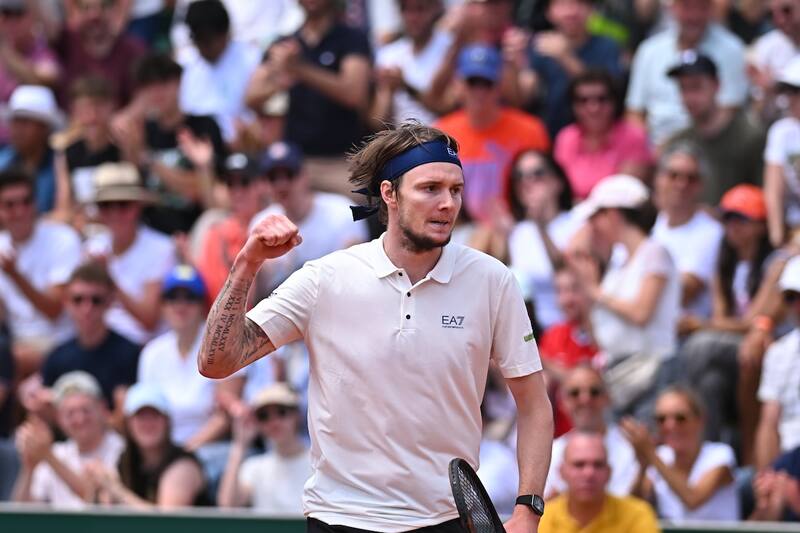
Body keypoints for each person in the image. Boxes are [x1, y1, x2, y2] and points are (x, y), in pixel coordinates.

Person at [198, 123, 553, 532]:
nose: (447, 204)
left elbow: (534, 404)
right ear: (390, 194)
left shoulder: (493, 281)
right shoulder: (325, 278)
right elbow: (216, 361)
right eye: (430, 188)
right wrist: (248, 263)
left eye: (455, 190)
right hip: (341, 519)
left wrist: (528, 509)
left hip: (444, 521)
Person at [681, 184, 786, 463]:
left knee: (700, 346)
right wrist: (709, 324)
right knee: (711, 381)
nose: (732, 226)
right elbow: (722, 315)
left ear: (761, 226)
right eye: (727, 218)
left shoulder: (776, 263)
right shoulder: (725, 262)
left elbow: (751, 322)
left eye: (741, 219)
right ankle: (707, 452)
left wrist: (701, 325)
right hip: (734, 343)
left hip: (767, 341)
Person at [571, 174, 681, 418]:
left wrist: (595, 292)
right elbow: (599, 334)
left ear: (613, 215)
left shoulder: (655, 253)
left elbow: (641, 313)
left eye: (595, 218)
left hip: (653, 373)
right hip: (621, 375)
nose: (591, 227)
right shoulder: (619, 263)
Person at [244, 0, 371, 196]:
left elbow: (354, 94)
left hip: (341, 162)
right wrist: (279, 82)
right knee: (258, 202)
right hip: (292, 163)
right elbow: (250, 97)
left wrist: (300, 69)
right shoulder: (284, 45)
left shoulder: (351, 38)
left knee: (363, 202)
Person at [112, 52, 228, 235]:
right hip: (150, 232)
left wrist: (148, 159)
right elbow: (132, 189)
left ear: (179, 82)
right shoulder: (143, 131)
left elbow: (205, 188)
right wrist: (131, 146)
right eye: (149, 86)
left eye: (163, 83)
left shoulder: (203, 127)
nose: (157, 92)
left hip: (194, 228)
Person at [434, 44, 549, 223]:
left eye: (487, 83)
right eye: (472, 83)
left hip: (519, 226)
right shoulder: (441, 133)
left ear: (499, 85)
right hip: (458, 228)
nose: (479, 92)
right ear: (458, 85)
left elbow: (545, 188)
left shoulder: (530, 130)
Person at [250, 140, 369, 296]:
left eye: (288, 174)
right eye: (273, 177)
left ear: (304, 175)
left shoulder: (342, 212)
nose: (281, 184)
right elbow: (256, 295)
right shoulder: (262, 223)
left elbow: (358, 277)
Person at [138, 264, 234, 451]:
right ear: (163, 306)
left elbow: (225, 418)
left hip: (211, 449)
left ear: (203, 305)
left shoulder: (222, 345)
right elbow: (146, 411)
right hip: (162, 450)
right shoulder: (152, 353)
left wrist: (184, 453)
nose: (180, 305)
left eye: (190, 298)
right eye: (172, 298)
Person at [625, 0, 747, 146]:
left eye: (701, 7)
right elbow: (634, 113)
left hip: (710, 146)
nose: (694, 16)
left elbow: (730, 111)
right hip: (654, 148)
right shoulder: (649, 50)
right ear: (671, 8)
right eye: (686, 7)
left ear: (711, 9)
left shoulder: (733, 49)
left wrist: (674, 146)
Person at [0, 168, 82, 377]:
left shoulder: (63, 239)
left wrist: (15, 275)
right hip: (15, 342)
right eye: (10, 205)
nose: (20, 211)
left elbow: (54, 310)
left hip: (59, 343)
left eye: (26, 202)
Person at [84, 162, 176, 345]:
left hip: (142, 347)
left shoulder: (161, 249)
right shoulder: (92, 247)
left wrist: (107, 277)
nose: (115, 213)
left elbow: (149, 320)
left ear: (137, 207)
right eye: (106, 205)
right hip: (99, 343)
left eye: (123, 205)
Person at [623, 386, 741, 521]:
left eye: (680, 418)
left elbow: (693, 499)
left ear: (700, 420)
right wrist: (642, 467)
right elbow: (633, 508)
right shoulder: (661, 456)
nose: (670, 426)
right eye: (661, 419)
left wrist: (651, 455)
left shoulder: (720, 455)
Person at [85, 381, 208, 507]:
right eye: (140, 416)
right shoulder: (126, 460)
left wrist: (116, 490)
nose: (148, 423)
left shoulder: (184, 465)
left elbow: (168, 522)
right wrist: (100, 489)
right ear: (128, 423)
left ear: (167, 421)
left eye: (154, 415)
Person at [665, 52, 765, 205]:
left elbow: (762, 197)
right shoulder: (678, 142)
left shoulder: (749, 137)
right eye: (683, 88)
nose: (689, 97)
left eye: (696, 87)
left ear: (717, 85)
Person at [40, 262, 140, 415]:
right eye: (78, 300)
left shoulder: (131, 355)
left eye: (96, 300)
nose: (87, 309)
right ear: (66, 302)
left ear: (110, 301)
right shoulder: (56, 357)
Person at [13, 371, 124, 508]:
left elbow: (98, 502)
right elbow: (22, 513)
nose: (79, 419)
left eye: (86, 410)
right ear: (59, 418)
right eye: (70, 413)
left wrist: (48, 457)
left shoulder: (121, 450)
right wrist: (29, 468)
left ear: (102, 409)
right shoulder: (58, 452)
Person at [525, 0, 624, 137]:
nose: (570, 12)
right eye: (562, 4)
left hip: (595, 137)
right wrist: (513, 64)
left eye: (578, 3)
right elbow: (525, 95)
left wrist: (565, 58)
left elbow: (609, 94)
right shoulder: (540, 45)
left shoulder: (607, 46)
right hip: (549, 132)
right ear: (548, 12)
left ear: (592, 10)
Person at [651, 143, 724, 322]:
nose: (681, 184)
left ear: (701, 185)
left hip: (685, 335)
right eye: (673, 175)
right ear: (658, 179)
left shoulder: (711, 231)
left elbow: (686, 291)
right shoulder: (650, 224)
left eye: (691, 178)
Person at [507, 150, 579, 330]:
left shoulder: (576, 221)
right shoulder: (518, 233)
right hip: (534, 332)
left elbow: (568, 274)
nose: (527, 182)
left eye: (537, 174)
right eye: (520, 176)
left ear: (558, 182)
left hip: (573, 328)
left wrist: (541, 227)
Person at [554, 70, 652, 200]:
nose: (593, 108)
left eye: (602, 99)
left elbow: (626, 193)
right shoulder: (566, 138)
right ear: (573, 106)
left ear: (615, 102)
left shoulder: (633, 136)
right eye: (583, 100)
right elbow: (559, 190)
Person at [545, 366, 639, 499]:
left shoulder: (631, 446)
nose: (585, 399)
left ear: (607, 398)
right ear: (563, 402)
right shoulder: (549, 453)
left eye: (594, 392)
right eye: (575, 393)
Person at [538, 432, 660, 533]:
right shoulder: (542, 519)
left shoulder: (637, 515)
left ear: (609, 472)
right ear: (561, 472)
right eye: (579, 465)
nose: (589, 473)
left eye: (598, 465)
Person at [217, 382, 311, 512]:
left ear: (297, 416)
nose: (274, 422)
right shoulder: (255, 467)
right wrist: (240, 445)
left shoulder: (319, 464)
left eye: (281, 412)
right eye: (264, 416)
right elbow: (228, 505)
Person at [178, 0, 259, 143]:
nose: (203, 47)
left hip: (239, 146)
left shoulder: (251, 59)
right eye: (198, 40)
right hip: (194, 145)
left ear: (225, 34)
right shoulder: (184, 62)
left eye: (208, 41)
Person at [195, 153, 266, 302]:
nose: (237, 191)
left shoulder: (272, 225)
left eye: (244, 182)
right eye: (230, 184)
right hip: (217, 319)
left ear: (260, 184)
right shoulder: (216, 230)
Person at [53, 75, 121, 225]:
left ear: (112, 107)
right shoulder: (67, 153)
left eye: (99, 107)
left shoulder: (122, 149)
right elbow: (63, 207)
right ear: (74, 111)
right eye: (85, 109)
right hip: (80, 228)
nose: (92, 116)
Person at [371, 0, 450, 127]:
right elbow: (377, 122)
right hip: (404, 143)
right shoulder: (388, 54)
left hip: (442, 140)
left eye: (420, 9)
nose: (413, 17)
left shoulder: (449, 49)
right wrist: (388, 91)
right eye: (406, 10)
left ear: (435, 9)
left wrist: (405, 86)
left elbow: (448, 108)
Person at [754, 254, 800, 470]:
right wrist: (768, 480)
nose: (798, 305)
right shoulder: (778, 352)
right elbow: (768, 424)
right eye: (791, 297)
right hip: (787, 464)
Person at [55, 0, 146, 106]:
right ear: (74, 12)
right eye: (86, 8)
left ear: (116, 10)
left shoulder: (133, 50)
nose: (94, 15)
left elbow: (145, 95)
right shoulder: (65, 42)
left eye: (104, 6)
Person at [0, 0, 60, 144]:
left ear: (31, 19)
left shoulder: (42, 51)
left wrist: (5, 51)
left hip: (30, 147)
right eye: (6, 16)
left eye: (18, 15)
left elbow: (46, 80)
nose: (11, 23)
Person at [0, 84, 61, 213]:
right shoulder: (2, 161)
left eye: (25, 122)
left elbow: (65, 212)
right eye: (15, 121)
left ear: (45, 128)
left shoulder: (61, 163)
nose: (17, 129)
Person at [765, 56, 800, 247]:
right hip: (794, 228)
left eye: (797, 91)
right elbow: (773, 187)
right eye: (789, 91)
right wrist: (777, 237)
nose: (791, 98)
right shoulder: (781, 131)